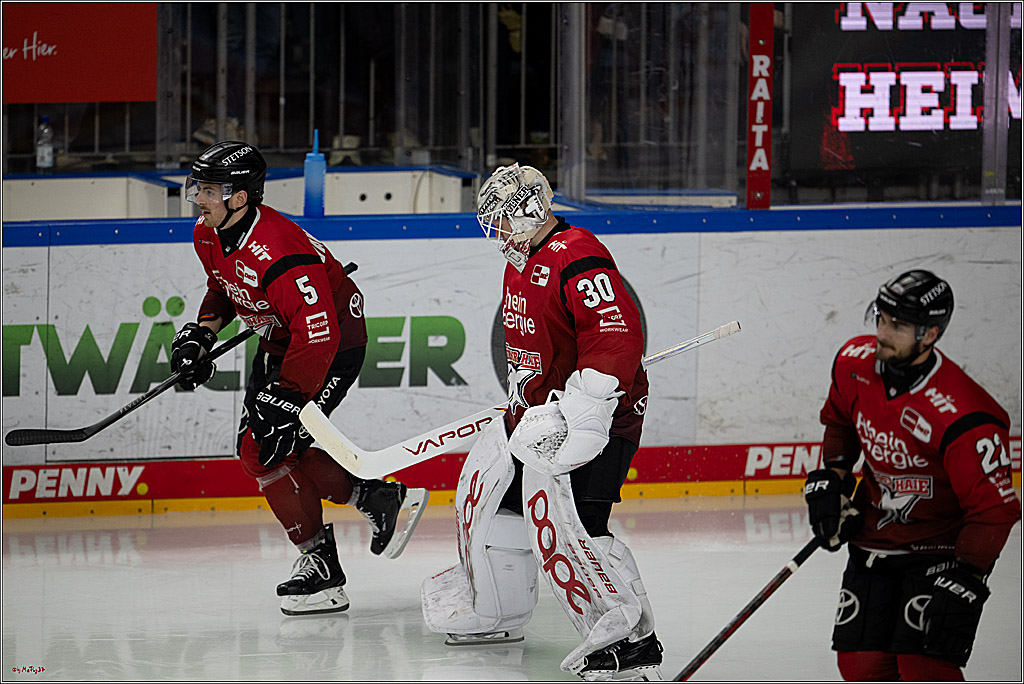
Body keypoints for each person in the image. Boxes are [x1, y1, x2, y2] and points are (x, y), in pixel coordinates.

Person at [421, 164, 662, 681]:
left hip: (596, 423)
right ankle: (502, 609)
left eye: (501, 220)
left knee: (582, 533)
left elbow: (613, 336)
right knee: (503, 508)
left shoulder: (579, 254)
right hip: (539, 421)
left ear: (528, 211)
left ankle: (633, 646)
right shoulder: (519, 258)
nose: (497, 232)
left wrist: (589, 407)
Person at [172, 140, 428, 616]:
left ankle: (324, 567)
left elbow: (320, 336)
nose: (197, 198)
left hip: (329, 350)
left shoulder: (280, 253)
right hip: (281, 344)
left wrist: (288, 399)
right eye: (199, 187)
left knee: (263, 447)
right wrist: (200, 337)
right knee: (266, 449)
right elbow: (223, 287)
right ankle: (378, 497)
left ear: (240, 197)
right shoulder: (207, 233)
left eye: (208, 190)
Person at [804, 269, 1021, 681]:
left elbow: (994, 509)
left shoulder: (965, 413)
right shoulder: (853, 363)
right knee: (861, 667)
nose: (882, 333)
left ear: (930, 334)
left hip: (937, 556)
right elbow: (840, 421)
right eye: (881, 318)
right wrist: (834, 477)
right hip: (872, 545)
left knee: (925, 670)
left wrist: (970, 574)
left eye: (898, 325)